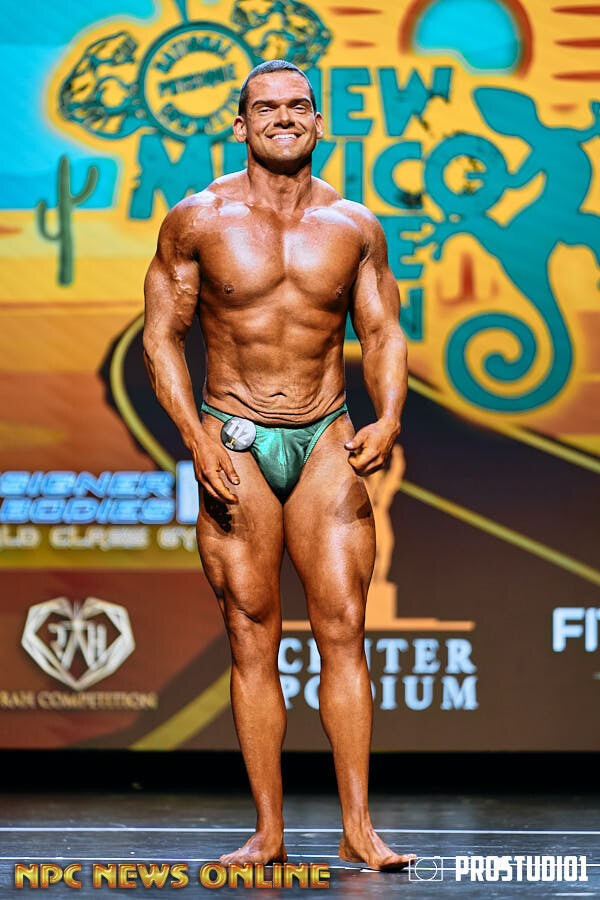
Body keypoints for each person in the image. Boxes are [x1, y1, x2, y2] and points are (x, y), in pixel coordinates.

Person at [143, 59, 414, 871]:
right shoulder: (198, 219)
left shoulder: (355, 226)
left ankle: (359, 829)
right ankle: (268, 833)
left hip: (326, 436)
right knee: (250, 631)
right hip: (234, 438)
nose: (284, 118)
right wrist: (194, 439)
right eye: (266, 108)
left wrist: (390, 416)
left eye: (299, 106)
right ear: (240, 124)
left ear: (319, 122)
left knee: (344, 629)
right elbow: (161, 337)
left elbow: (383, 331)